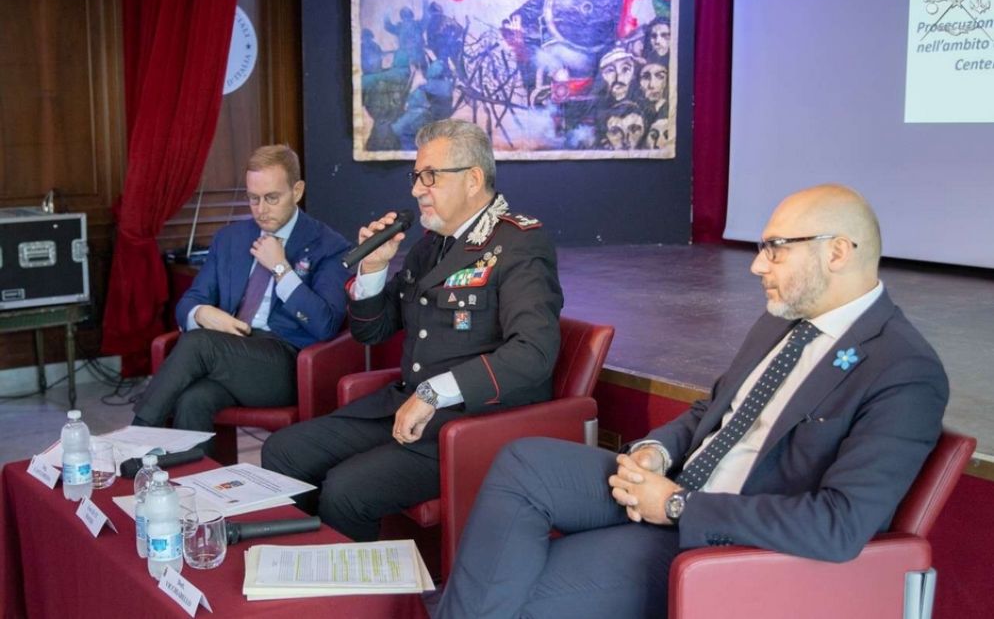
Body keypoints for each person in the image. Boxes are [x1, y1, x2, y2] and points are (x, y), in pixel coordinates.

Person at [438, 184, 949, 618]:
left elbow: (839, 525)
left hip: (714, 538)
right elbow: (717, 410)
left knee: (520, 596)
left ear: (836, 252)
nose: (756, 267)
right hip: (672, 486)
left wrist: (680, 506)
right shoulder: (783, 320)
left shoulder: (903, 371)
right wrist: (655, 451)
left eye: (775, 249)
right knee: (523, 461)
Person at [261, 119, 564, 542]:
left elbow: (534, 352)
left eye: (430, 177)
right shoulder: (431, 245)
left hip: (470, 425)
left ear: (473, 179)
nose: (416, 189)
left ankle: (359, 603)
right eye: (416, 176)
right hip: (407, 408)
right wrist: (374, 267)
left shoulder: (518, 243)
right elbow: (373, 331)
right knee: (283, 451)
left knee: (347, 490)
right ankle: (307, 572)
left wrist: (433, 393)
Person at [132, 145, 351, 436]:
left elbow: (325, 324)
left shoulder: (329, 245)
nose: (261, 209)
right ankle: (193, 478)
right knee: (193, 400)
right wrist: (203, 313)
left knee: (199, 344)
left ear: (297, 191)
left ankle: (136, 437)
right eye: (253, 199)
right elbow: (190, 302)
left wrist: (281, 269)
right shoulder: (230, 239)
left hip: (287, 364)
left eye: (272, 198)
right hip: (230, 352)